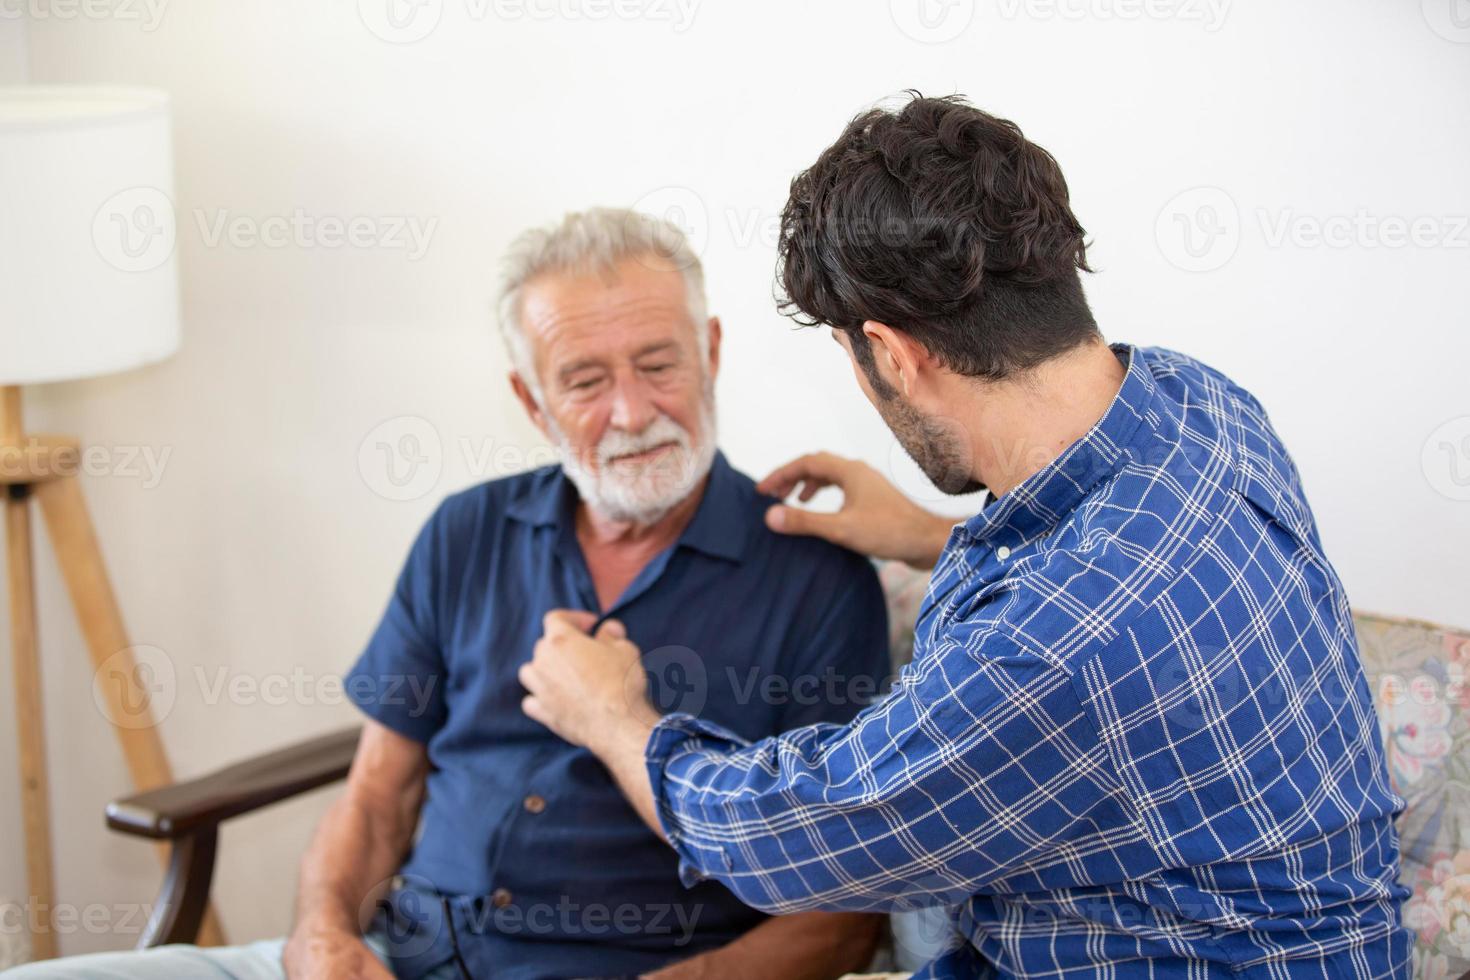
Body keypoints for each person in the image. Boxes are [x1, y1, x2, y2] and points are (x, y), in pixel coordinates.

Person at [518, 95, 1414, 978]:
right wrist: (929, 536)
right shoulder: (1199, 406)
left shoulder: (1050, 651)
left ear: (895, 353)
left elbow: (776, 839)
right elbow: (1123, 596)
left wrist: (610, 714)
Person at [7, 209, 889, 979]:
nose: (630, 411)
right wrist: (320, 938)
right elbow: (375, 796)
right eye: (584, 380)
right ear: (531, 399)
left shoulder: (816, 578)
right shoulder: (465, 533)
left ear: (711, 352)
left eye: (658, 364)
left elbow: (842, 914)